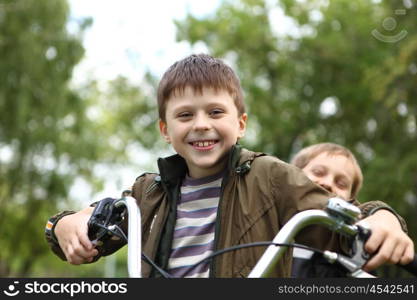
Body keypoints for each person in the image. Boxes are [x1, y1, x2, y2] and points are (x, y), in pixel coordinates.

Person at [45, 54, 413, 278]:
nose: (201, 124)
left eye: (216, 112)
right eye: (185, 115)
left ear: (240, 124)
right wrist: (65, 224)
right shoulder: (150, 190)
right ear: (165, 130)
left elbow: (339, 221)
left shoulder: (269, 177)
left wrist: (383, 219)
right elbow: (96, 226)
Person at [290, 143, 414, 277]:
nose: (328, 183)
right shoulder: (270, 221)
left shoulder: (352, 256)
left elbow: (365, 213)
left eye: (341, 184)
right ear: (293, 174)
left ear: (351, 199)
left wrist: (384, 216)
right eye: (318, 172)